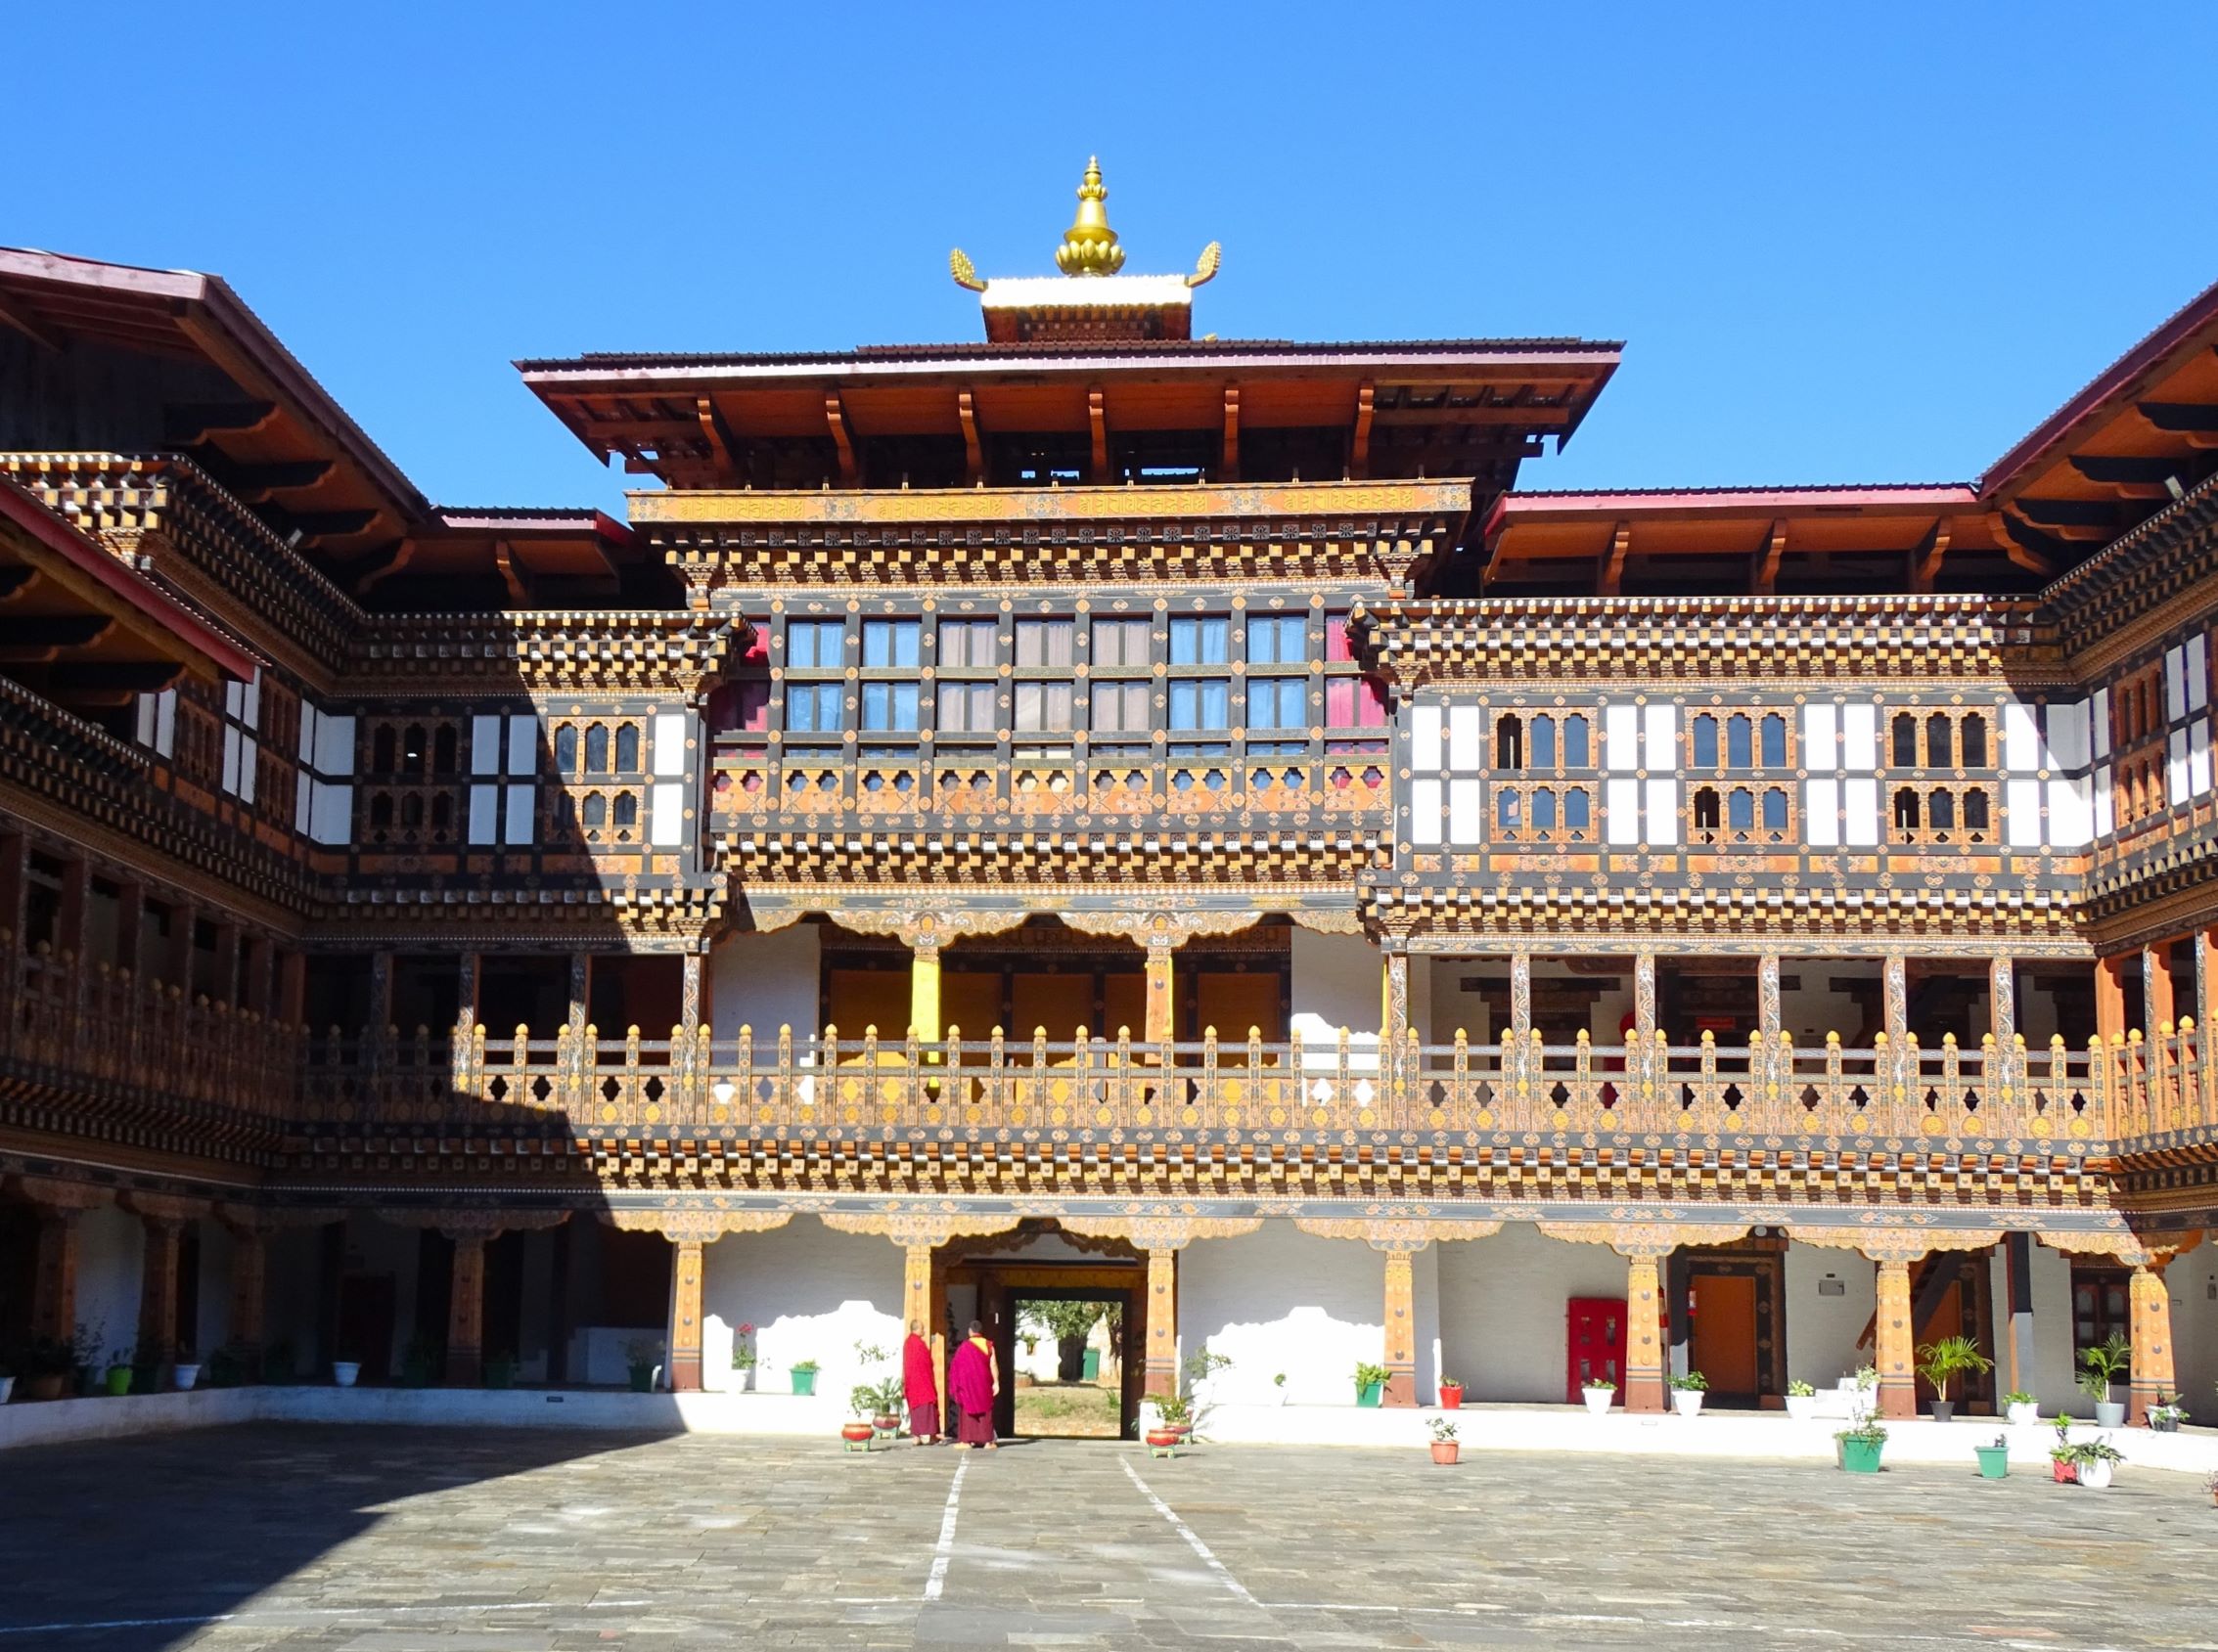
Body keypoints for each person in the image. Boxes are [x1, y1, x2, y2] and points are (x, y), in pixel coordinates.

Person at [947, 1318, 998, 1450]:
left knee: (967, 1411)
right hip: (984, 1385)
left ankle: (966, 1441)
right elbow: (993, 1364)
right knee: (985, 1410)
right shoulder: (988, 1345)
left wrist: (957, 1384)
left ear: (970, 1331)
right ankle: (988, 1442)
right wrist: (996, 1382)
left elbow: (955, 1367)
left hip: (968, 1386)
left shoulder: (964, 1347)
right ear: (981, 1331)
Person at [902, 1319, 939, 1445]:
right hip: (923, 1382)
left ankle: (916, 1437)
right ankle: (932, 1436)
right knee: (929, 1407)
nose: (924, 1331)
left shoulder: (908, 1343)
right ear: (916, 1329)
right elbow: (927, 1362)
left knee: (916, 1410)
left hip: (912, 1382)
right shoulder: (918, 1344)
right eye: (922, 1328)